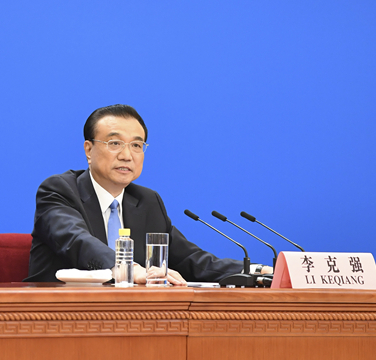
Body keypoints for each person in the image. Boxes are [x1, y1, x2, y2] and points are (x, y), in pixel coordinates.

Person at [27, 104, 268, 284]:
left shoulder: (146, 201)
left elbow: (191, 259)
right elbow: (76, 241)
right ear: (88, 150)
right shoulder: (59, 190)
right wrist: (129, 269)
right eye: (114, 143)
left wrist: (256, 271)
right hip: (62, 315)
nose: (126, 155)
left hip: (135, 315)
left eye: (136, 145)